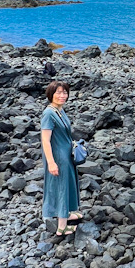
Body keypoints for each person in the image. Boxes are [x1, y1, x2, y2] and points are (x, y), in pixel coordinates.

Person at [41, 80, 82, 237]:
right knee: (62, 187)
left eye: (64, 92)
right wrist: (51, 162)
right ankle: (61, 227)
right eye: (58, 92)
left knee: (68, 184)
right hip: (58, 156)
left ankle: (65, 213)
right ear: (51, 94)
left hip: (66, 154)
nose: (62, 95)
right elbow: (45, 140)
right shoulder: (49, 113)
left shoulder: (60, 110)